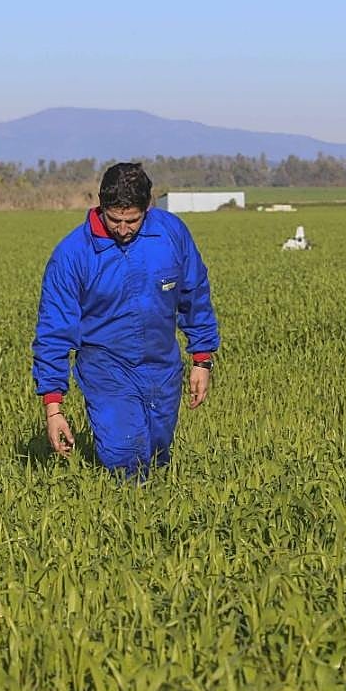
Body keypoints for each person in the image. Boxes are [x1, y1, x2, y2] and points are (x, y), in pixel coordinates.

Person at [32, 162, 220, 477]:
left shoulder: (171, 234)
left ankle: (159, 505)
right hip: (106, 368)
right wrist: (53, 407)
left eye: (132, 220)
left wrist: (202, 359)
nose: (122, 229)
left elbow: (195, 293)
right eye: (114, 219)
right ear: (101, 206)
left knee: (158, 454)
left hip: (162, 365)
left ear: (147, 208)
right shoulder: (72, 254)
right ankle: (127, 502)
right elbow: (54, 329)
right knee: (126, 455)